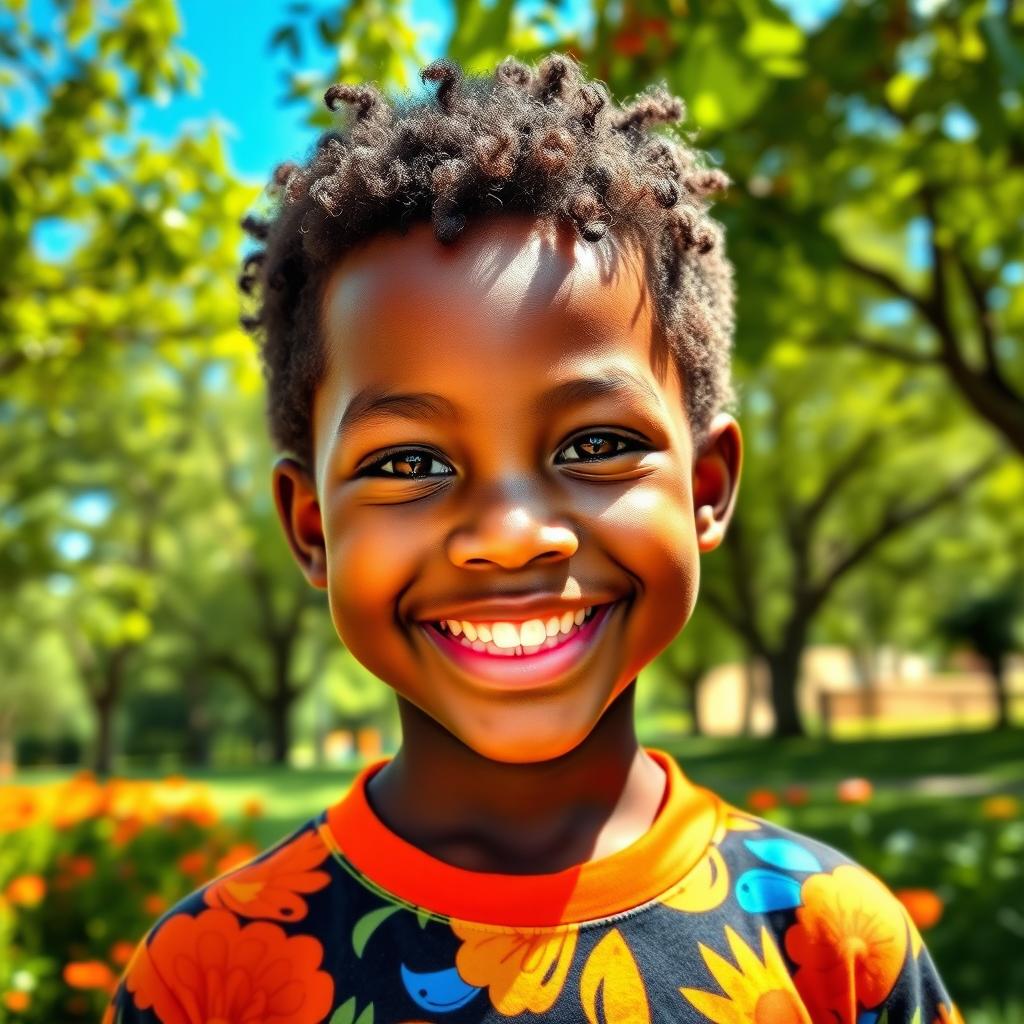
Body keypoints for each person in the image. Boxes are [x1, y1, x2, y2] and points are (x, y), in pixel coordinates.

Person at [106, 53, 961, 1024]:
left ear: (706, 488)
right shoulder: (210, 978)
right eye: (408, 463)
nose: (510, 537)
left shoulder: (832, 945)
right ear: (311, 527)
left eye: (595, 444)